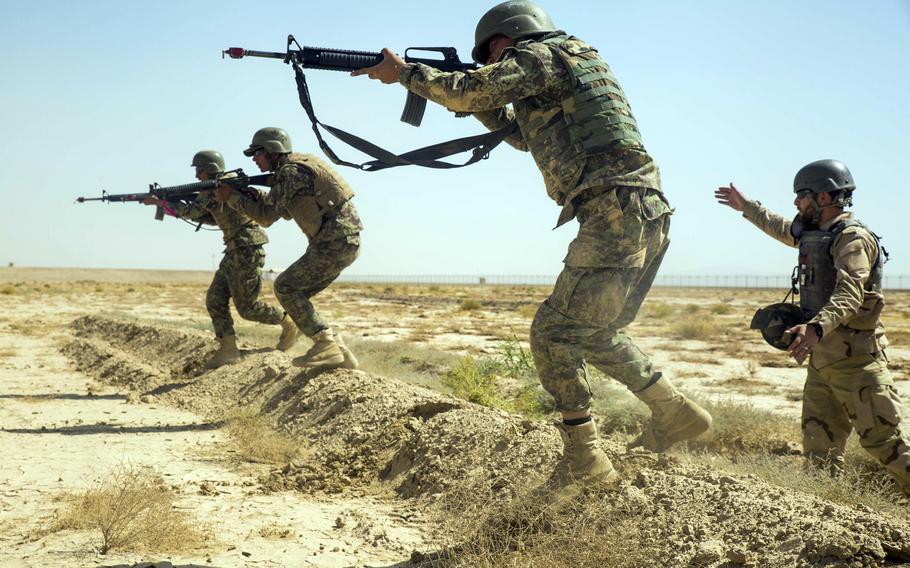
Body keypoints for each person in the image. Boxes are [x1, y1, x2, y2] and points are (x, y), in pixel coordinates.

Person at [353, 1, 711, 497]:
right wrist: (478, 104)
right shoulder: (572, 61)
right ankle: (677, 412)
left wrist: (406, 74)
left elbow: (465, 89)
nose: (487, 63)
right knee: (596, 332)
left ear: (509, 37)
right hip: (639, 210)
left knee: (551, 331)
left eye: (490, 53)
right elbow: (526, 136)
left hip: (614, 209)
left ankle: (584, 457)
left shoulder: (541, 55)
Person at [716, 159, 910, 493]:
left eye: (801, 196)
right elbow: (782, 228)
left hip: (858, 366)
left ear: (823, 198)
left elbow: (850, 293)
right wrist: (747, 207)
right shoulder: (814, 233)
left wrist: (815, 328)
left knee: (887, 447)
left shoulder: (853, 239)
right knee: (819, 452)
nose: (795, 203)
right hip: (822, 364)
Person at [214, 128, 362, 370]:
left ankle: (325, 344)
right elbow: (282, 209)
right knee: (297, 296)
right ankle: (341, 352)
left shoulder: (290, 172)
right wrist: (252, 194)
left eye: (257, 153)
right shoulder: (295, 168)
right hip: (342, 241)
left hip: (334, 242)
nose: (254, 159)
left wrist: (232, 198)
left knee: (286, 287)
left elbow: (266, 217)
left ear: (272, 151)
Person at [144, 150, 296, 369]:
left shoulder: (219, 186)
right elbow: (209, 218)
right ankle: (228, 350)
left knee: (248, 308)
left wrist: (162, 204)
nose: (197, 176)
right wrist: (168, 204)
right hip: (234, 249)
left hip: (247, 248)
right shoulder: (216, 189)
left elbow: (192, 212)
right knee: (215, 298)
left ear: (210, 169)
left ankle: (287, 321)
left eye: (200, 171)